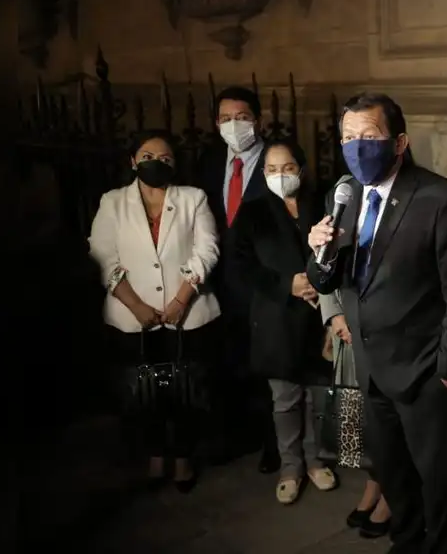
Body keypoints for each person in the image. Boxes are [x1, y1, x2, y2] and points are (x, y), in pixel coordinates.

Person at [306, 92, 447, 554]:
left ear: (399, 141)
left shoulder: (440, 199)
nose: (357, 146)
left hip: (425, 371)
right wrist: (319, 251)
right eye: (348, 137)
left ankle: (440, 548)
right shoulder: (343, 194)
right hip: (371, 367)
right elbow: (327, 280)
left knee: (436, 480)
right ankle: (405, 542)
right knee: (392, 472)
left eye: (369, 136)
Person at [89, 129, 221, 492]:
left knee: (187, 392)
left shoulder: (193, 198)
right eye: (147, 156)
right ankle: (155, 454)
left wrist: (180, 300)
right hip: (132, 318)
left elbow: (206, 250)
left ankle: (182, 457)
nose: (156, 164)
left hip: (188, 315)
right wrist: (134, 304)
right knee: (144, 394)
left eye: (165, 159)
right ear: (133, 161)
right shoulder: (112, 202)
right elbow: (102, 256)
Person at [230, 142, 338, 504]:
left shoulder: (322, 204)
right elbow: (241, 267)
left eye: (288, 167)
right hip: (277, 316)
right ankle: (290, 466)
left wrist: (319, 288)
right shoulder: (252, 213)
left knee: (314, 395)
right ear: (263, 175)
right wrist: (286, 285)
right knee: (285, 399)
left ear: (301, 170)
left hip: (316, 313)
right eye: (273, 169)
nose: (281, 175)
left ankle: (314, 461)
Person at [197, 85, 277, 471]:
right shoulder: (209, 162)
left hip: (264, 281)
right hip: (221, 281)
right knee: (228, 364)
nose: (235, 125)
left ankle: (273, 443)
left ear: (258, 121)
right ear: (216, 123)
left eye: (242, 117)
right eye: (226, 118)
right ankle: (236, 434)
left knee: (267, 366)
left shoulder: (277, 161)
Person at [320, 291, 393, 538]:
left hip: (384, 320)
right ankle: (374, 481)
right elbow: (322, 264)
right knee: (356, 410)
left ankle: (392, 493)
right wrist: (333, 316)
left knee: (384, 412)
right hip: (345, 318)